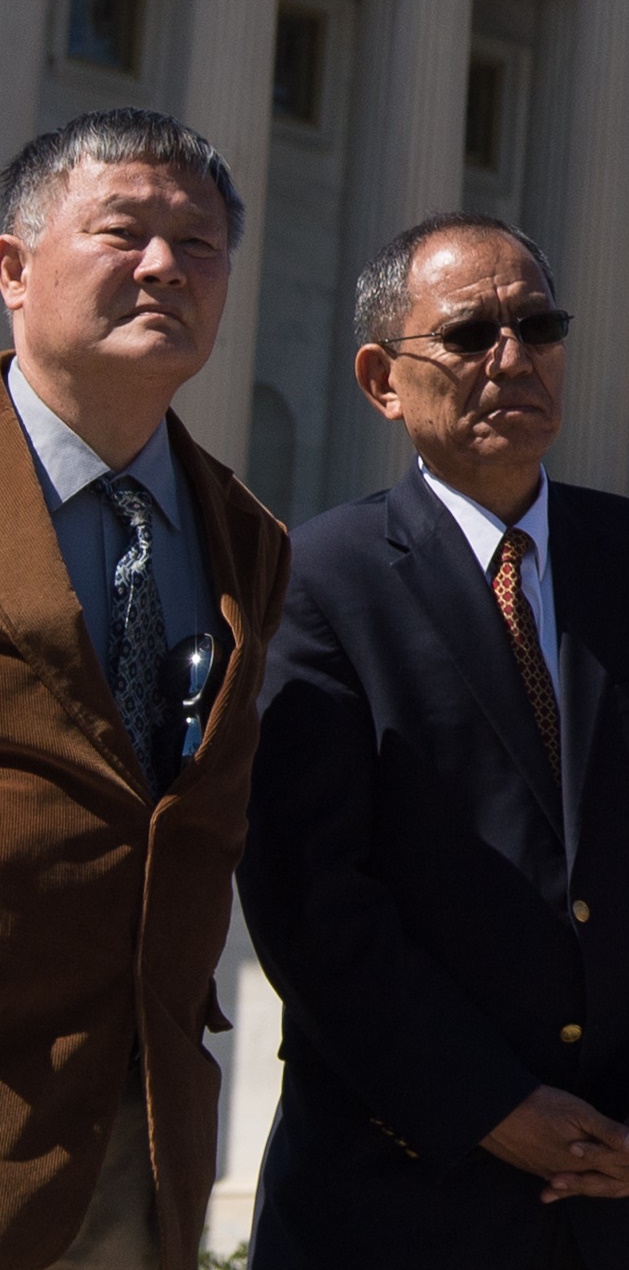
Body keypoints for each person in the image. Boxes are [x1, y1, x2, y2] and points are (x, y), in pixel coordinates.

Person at [240, 213, 629, 1269]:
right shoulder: (320, 579)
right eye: (470, 333)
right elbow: (311, 896)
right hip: (400, 1191)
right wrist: (490, 1104)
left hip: (628, 1189)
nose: (513, 357)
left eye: (538, 325)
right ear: (383, 379)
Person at [0, 112, 292, 1270]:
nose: (168, 265)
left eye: (200, 243)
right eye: (124, 231)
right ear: (13, 268)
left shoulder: (245, 536)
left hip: (142, 1139)